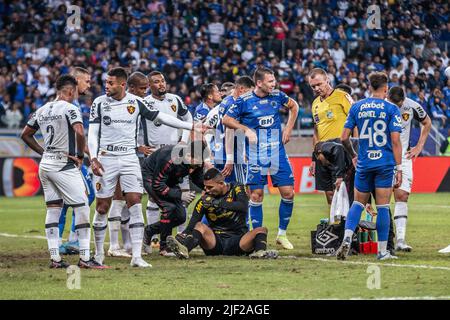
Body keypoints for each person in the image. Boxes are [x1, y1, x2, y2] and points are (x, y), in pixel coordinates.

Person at [88, 67, 205, 268]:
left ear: (122, 85)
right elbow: (93, 132)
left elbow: (161, 117)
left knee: (134, 202)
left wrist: (190, 127)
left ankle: (137, 256)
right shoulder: (99, 103)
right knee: (102, 207)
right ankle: (99, 255)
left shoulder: (136, 102)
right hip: (106, 157)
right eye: (106, 82)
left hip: (129, 159)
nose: (106, 86)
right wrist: (93, 157)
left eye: (110, 83)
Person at [21, 75, 104, 269]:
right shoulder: (70, 108)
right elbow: (80, 132)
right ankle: (84, 258)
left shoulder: (42, 109)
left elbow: (25, 134)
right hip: (63, 164)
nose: (76, 93)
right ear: (69, 90)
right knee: (82, 206)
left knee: (53, 209)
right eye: (75, 90)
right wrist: (80, 156)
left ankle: (55, 259)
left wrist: (43, 152)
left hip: (46, 165)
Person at [222, 67, 299, 250]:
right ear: (259, 83)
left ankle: (282, 234)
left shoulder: (278, 96)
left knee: (288, 193)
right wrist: (246, 129)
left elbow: (294, 106)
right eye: (270, 81)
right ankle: (258, 239)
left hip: (277, 154)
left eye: (274, 81)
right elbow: (226, 120)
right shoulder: (244, 101)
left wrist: (287, 129)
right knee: (256, 196)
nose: (274, 84)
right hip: (256, 156)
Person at [337, 72, 403, 261]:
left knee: (358, 203)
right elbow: (396, 141)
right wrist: (399, 169)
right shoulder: (391, 109)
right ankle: (382, 252)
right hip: (384, 164)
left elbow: (343, 138)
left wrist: (354, 156)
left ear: (369, 86)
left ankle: (347, 239)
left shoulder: (357, 107)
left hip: (364, 163)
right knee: (382, 206)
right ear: (385, 88)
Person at [166, 168, 279, 259]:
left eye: (210, 187)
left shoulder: (237, 188)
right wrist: (183, 235)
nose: (207, 190)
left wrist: (217, 203)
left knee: (261, 229)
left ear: (221, 184)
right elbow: (193, 224)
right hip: (215, 242)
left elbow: (243, 207)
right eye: (205, 187)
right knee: (200, 226)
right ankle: (184, 250)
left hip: (239, 241)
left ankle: (260, 253)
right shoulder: (205, 200)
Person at [141, 70, 194, 255]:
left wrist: (183, 140)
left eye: (162, 80)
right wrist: (138, 145)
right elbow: (132, 125)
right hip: (154, 155)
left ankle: (176, 239)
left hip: (175, 155)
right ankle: (155, 238)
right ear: (149, 85)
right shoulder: (145, 103)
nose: (161, 84)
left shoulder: (175, 100)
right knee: (156, 200)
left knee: (178, 202)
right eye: (156, 82)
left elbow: (188, 119)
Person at [106, 71, 152, 258]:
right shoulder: (118, 103)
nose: (144, 92)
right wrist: (136, 146)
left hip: (132, 156)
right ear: (130, 87)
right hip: (117, 156)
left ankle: (128, 245)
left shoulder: (136, 103)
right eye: (142, 88)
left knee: (130, 202)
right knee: (118, 199)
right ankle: (114, 245)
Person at [387, 86, 431, 252]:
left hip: (404, 158)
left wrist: (419, 146)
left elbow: (427, 122)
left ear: (403, 101)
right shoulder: (381, 106)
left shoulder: (412, 106)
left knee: (402, 195)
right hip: (384, 157)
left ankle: (400, 240)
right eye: (394, 104)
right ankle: (383, 241)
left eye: (399, 105)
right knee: (380, 198)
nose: (396, 108)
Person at [142, 141, 205, 254]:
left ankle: (149, 231)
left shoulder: (198, 160)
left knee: (181, 217)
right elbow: (157, 185)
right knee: (169, 208)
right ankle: (164, 247)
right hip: (152, 176)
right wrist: (180, 195)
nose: (192, 168)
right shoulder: (169, 158)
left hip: (169, 180)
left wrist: (209, 188)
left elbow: (197, 178)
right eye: (189, 156)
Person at [58, 67, 95, 255]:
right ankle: (72, 240)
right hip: (69, 158)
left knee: (63, 202)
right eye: (86, 81)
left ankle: (59, 242)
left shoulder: (73, 104)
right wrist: (88, 155)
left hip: (65, 157)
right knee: (87, 195)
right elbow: (77, 133)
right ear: (75, 80)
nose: (89, 84)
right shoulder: (71, 105)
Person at [309, 68, 353, 207]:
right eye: (313, 86)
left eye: (319, 84)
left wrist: (356, 149)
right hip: (322, 153)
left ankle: (348, 225)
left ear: (327, 80)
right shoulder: (315, 103)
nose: (316, 88)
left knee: (344, 191)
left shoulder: (342, 96)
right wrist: (315, 156)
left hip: (342, 150)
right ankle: (334, 225)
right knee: (329, 193)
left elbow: (356, 123)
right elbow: (316, 131)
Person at [205, 76, 255, 184]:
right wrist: (230, 158)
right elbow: (229, 131)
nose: (251, 96)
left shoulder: (225, 101)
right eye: (249, 92)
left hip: (220, 154)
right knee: (240, 191)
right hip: (232, 155)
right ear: (241, 89)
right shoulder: (235, 104)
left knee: (222, 190)